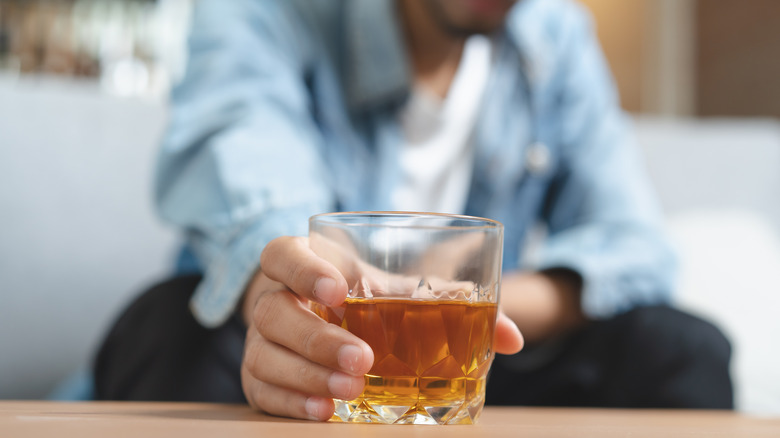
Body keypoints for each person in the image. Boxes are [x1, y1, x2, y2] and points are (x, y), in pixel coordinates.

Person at [93, 0, 733, 420]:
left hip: (469, 368)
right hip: (304, 357)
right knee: (167, 325)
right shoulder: (268, 12)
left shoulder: (555, 33)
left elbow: (633, 242)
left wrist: (474, 308)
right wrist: (289, 299)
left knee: (681, 345)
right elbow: (253, 179)